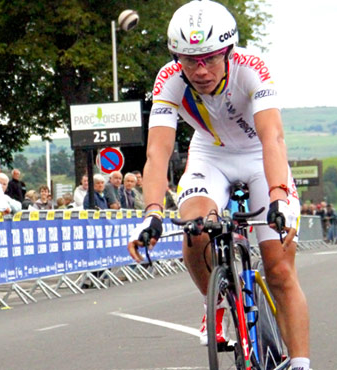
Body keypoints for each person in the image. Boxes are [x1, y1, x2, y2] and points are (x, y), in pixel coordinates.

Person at [127, 2, 310, 370]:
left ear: (228, 51)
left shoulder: (251, 69)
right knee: (195, 229)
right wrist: (150, 214)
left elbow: (272, 138)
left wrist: (278, 197)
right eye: (189, 60)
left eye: (209, 59)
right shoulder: (170, 79)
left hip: (259, 156)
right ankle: (219, 302)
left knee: (278, 269)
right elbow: (157, 153)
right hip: (210, 156)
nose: (199, 70)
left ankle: (302, 362)